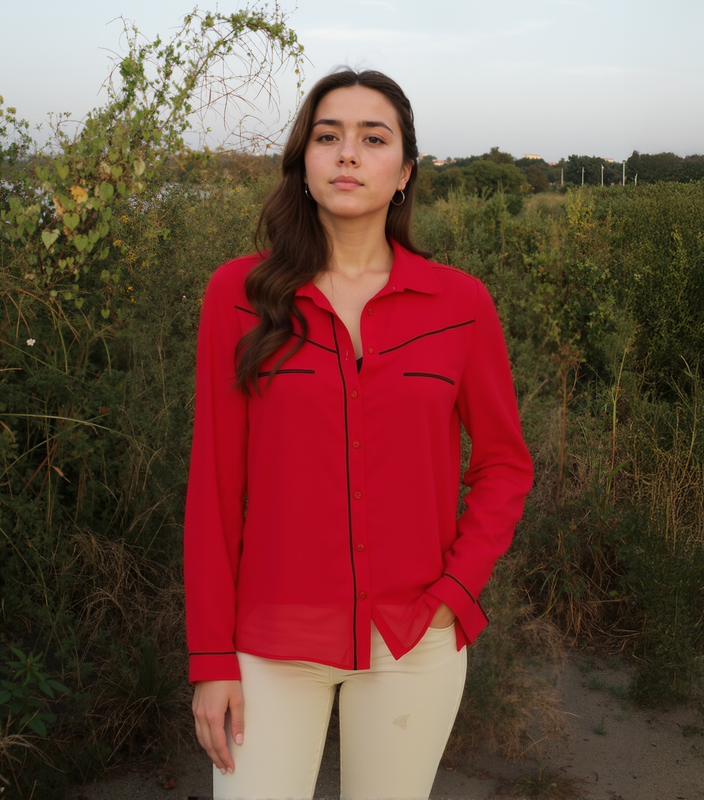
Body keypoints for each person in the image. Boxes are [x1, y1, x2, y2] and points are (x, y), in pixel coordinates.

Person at [184, 69, 533, 800]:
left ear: (403, 172)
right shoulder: (238, 298)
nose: (348, 153)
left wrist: (458, 588)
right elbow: (214, 490)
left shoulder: (460, 304)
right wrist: (212, 658)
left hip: (415, 640)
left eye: (373, 138)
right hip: (272, 642)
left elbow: (503, 465)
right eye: (327, 135)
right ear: (304, 165)